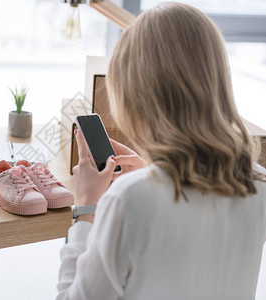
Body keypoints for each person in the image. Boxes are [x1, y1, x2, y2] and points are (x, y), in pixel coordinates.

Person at [56, 2, 266, 300]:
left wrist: (87, 207)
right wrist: (151, 171)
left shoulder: (129, 199)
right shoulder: (257, 183)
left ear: (134, 98)